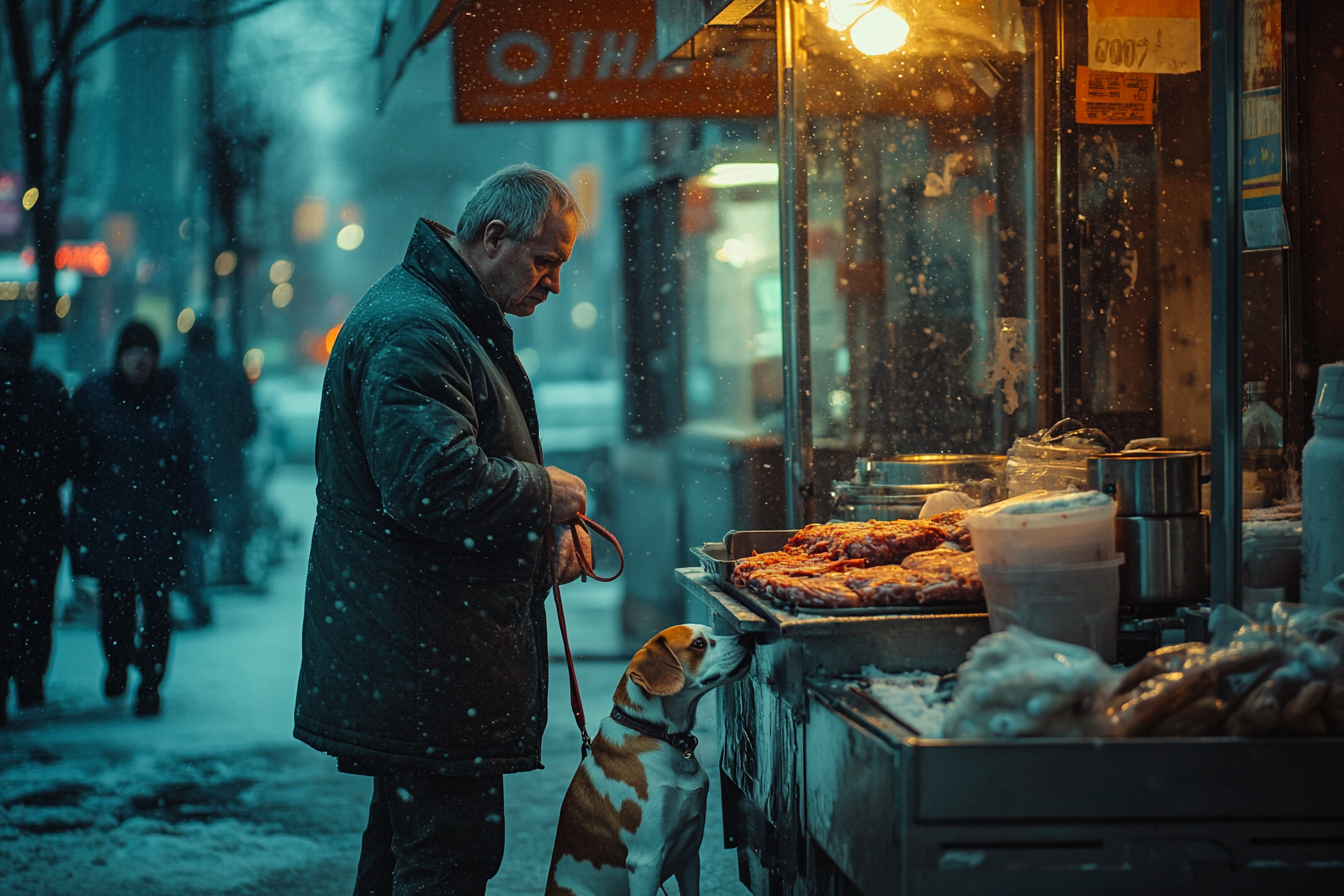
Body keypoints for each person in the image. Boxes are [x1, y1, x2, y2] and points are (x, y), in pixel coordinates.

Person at [293, 163, 592, 896]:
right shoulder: (417, 325)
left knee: (404, 854)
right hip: (428, 662)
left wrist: (535, 547)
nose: (552, 283)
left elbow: (442, 487)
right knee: (445, 859)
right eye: (545, 261)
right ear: (494, 238)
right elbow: (432, 485)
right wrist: (544, 495)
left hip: (423, 658)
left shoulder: (439, 314)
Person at [69, 320, 210, 717]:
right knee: (116, 608)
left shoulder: (171, 404)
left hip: (158, 526)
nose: (140, 361)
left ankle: (150, 683)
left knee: (157, 608)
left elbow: (190, 464)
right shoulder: (95, 398)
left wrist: (197, 514)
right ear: (120, 356)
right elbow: (75, 458)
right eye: (133, 352)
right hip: (111, 523)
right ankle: (118, 663)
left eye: (146, 353)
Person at [0, 315, 72, 725]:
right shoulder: (47, 390)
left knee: (17, 603)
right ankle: (30, 679)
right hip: (39, 518)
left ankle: (16, 680)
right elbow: (67, 457)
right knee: (35, 606)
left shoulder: (42, 393)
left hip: (23, 517)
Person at [175, 317, 260, 623]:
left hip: (185, 469)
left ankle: (196, 591)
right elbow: (250, 423)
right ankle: (231, 570)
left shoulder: (175, 370)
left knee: (193, 533)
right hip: (226, 467)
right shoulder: (232, 372)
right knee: (229, 526)